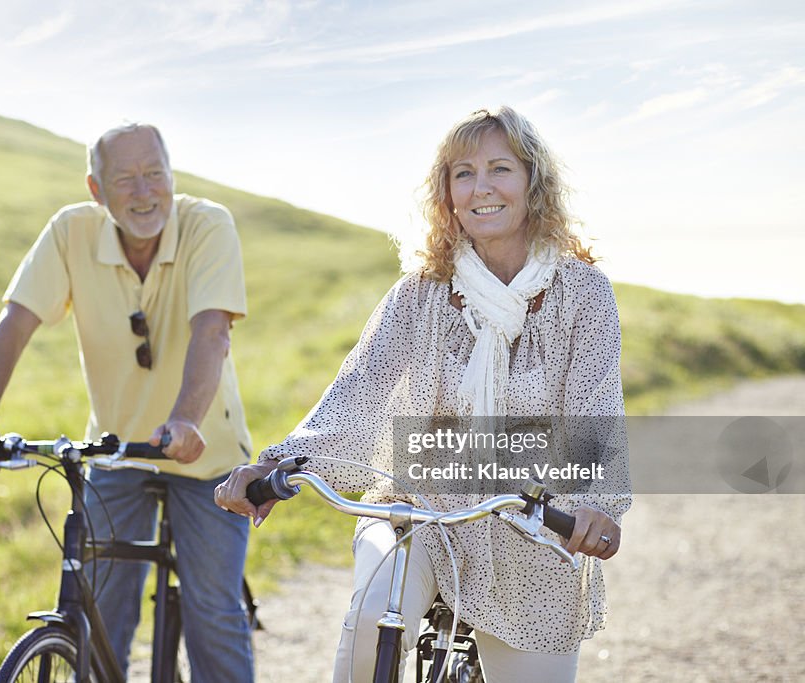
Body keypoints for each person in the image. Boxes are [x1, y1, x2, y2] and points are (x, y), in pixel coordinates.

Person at [215, 106, 631, 683]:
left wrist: (597, 504)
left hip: (532, 526)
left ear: (533, 183)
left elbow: (594, 410)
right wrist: (278, 466)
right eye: (463, 173)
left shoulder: (582, 295)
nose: (481, 187)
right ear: (448, 195)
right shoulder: (419, 294)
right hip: (421, 509)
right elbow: (358, 390)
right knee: (369, 627)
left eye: (499, 169)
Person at [0, 123, 255, 682]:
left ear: (171, 175)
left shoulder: (208, 225)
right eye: (125, 179)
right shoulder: (70, 232)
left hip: (205, 453)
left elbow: (212, 332)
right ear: (97, 190)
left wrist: (186, 419)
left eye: (154, 174)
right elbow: (15, 324)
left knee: (212, 615)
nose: (144, 192)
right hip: (118, 451)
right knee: (99, 611)